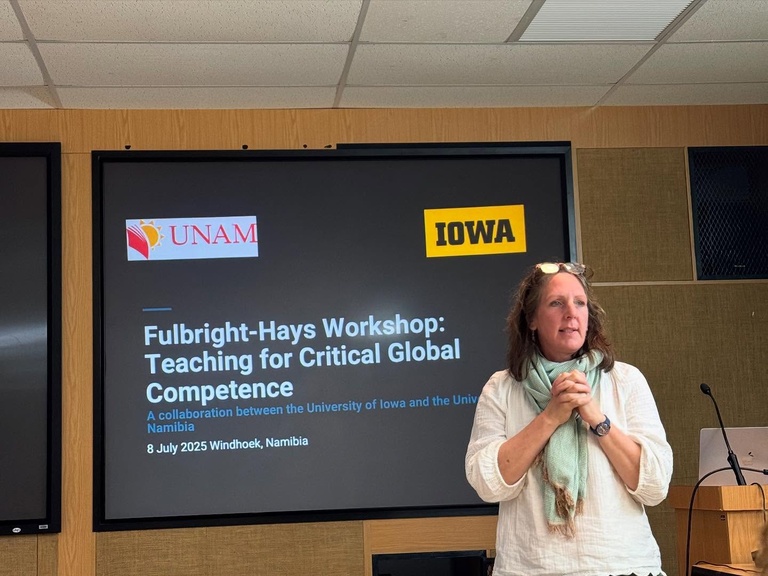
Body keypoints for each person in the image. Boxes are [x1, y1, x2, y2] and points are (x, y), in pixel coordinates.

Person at [465, 261, 673, 576]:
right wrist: (550, 417)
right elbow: (487, 483)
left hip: (621, 565)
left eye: (579, 303)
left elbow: (654, 486)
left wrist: (594, 415)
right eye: (556, 303)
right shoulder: (502, 387)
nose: (571, 313)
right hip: (531, 567)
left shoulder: (626, 380)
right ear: (531, 319)